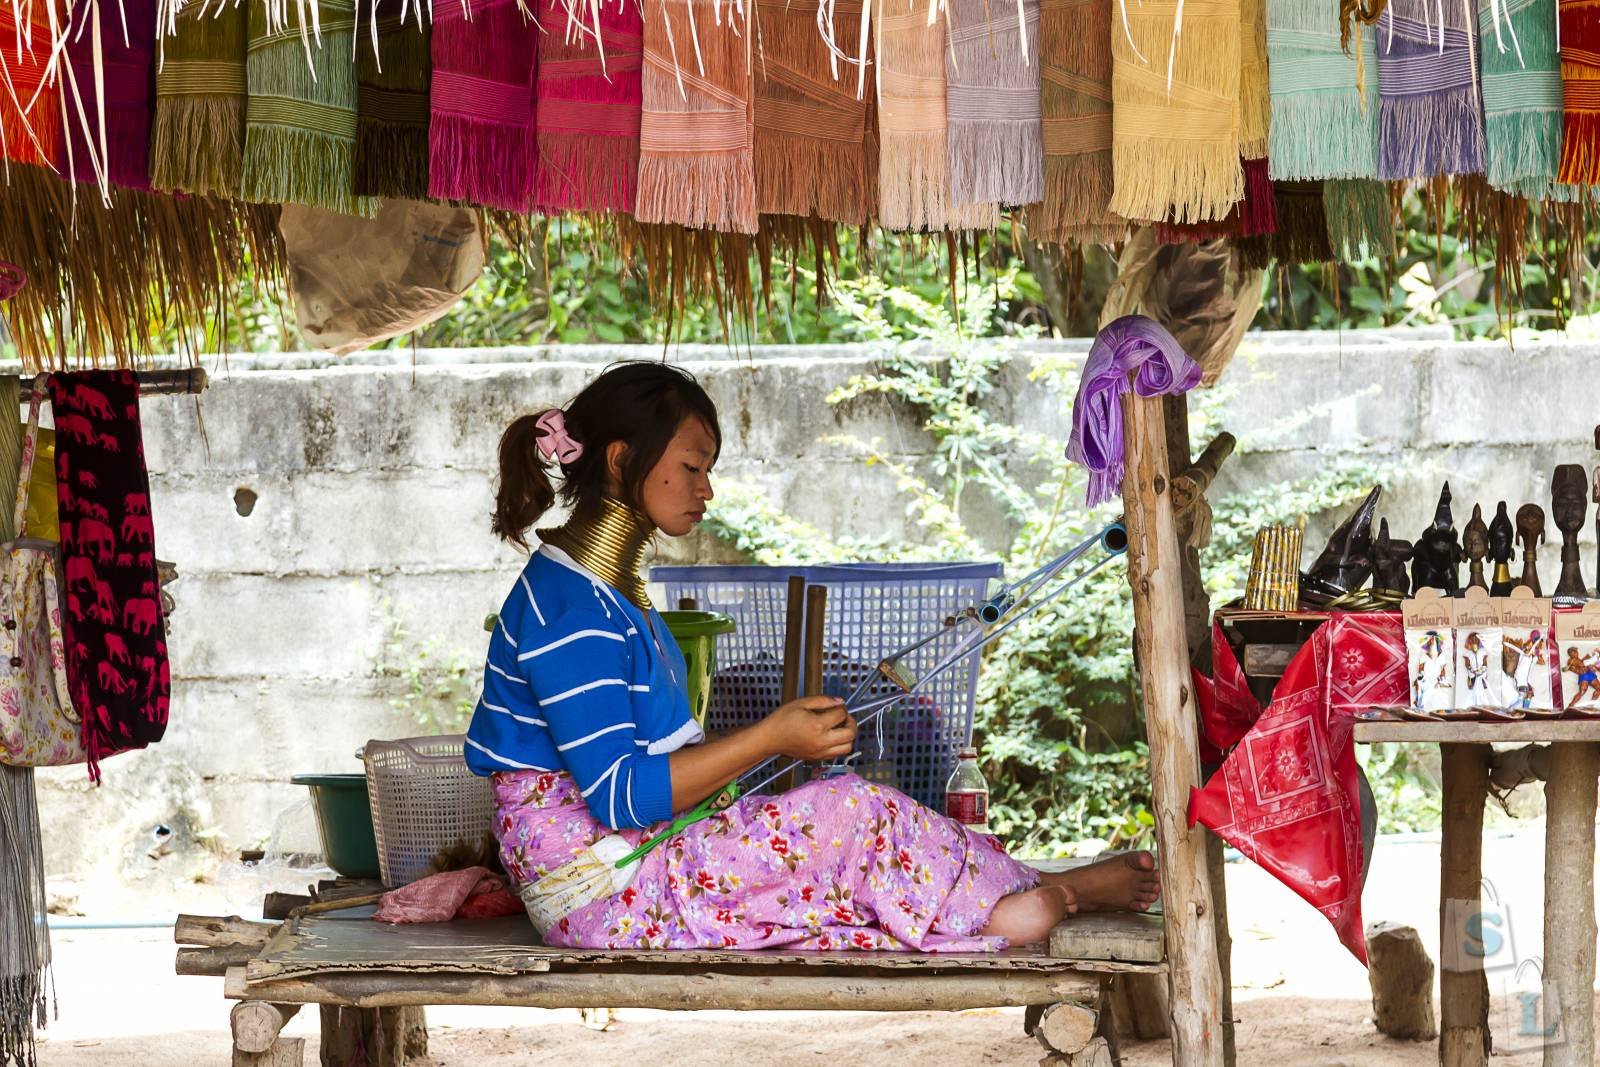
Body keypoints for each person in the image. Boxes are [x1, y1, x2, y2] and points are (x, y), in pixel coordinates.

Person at [463, 361, 1160, 953]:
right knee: (847, 813)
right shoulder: (570, 608)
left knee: (851, 812)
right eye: (692, 467)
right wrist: (771, 736)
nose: (705, 489)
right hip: (608, 890)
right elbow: (618, 796)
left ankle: (1038, 886)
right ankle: (1013, 906)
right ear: (621, 459)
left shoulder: (606, 593)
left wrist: (778, 747)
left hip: (646, 857)